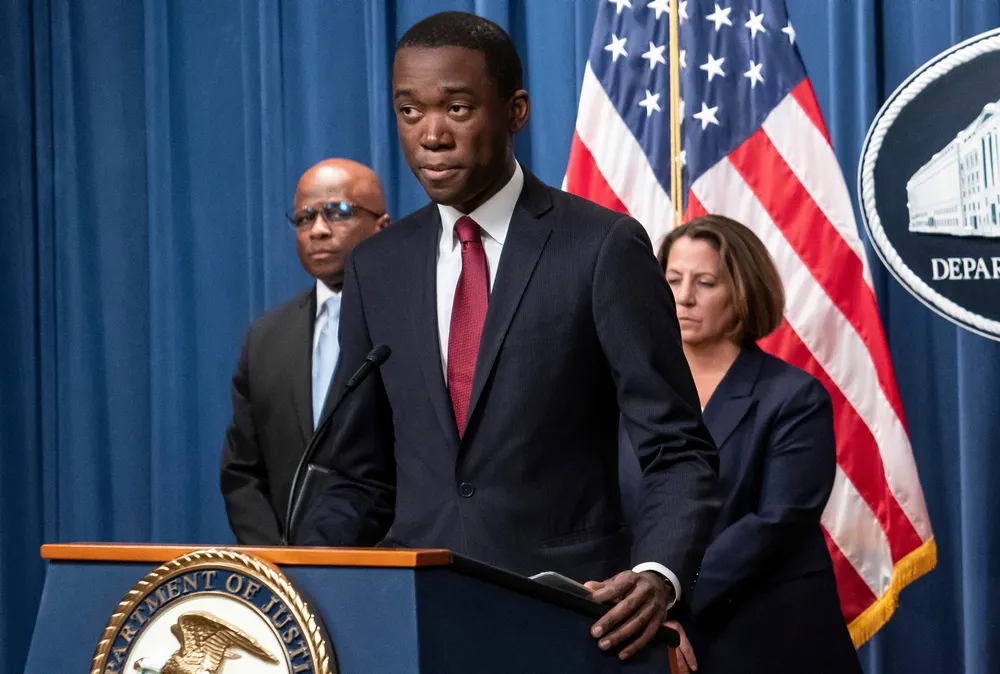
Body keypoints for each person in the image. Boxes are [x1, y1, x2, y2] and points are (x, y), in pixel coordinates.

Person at [298, 12, 719, 661]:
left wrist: (659, 575)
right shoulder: (376, 267)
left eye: (457, 108)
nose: (431, 135)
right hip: (415, 623)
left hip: (570, 618)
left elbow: (677, 448)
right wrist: (297, 579)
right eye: (409, 112)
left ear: (515, 110)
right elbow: (358, 476)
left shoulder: (601, 247)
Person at [630, 214, 861, 673]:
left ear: (742, 292)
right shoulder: (631, 394)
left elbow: (777, 522)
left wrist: (662, 596)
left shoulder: (794, 397)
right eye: (672, 280)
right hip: (646, 631)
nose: (684, 297)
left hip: (766, 638)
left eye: (705, 282)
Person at [220, 158, 390, 545]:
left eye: (339, 212)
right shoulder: (265, 338)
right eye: (304, 218)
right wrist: (279, 563)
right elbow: (242, 472)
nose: (318, 230)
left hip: (387, 563)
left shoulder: (413, 324)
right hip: (285, 569)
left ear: (382, 227)